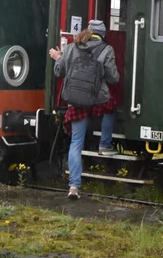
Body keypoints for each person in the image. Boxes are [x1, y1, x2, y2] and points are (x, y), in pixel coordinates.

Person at [49, 20, 120, 199]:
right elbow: (113, 78)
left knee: (76, 143)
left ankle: (74, 186)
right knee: (111, 107)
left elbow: (60, 72)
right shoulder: (107, 49)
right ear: (102, 34)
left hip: (77, 101)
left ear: (87, 31)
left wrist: (58, 57)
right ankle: (104, 144)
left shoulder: (72, 47)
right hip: (98, 100)